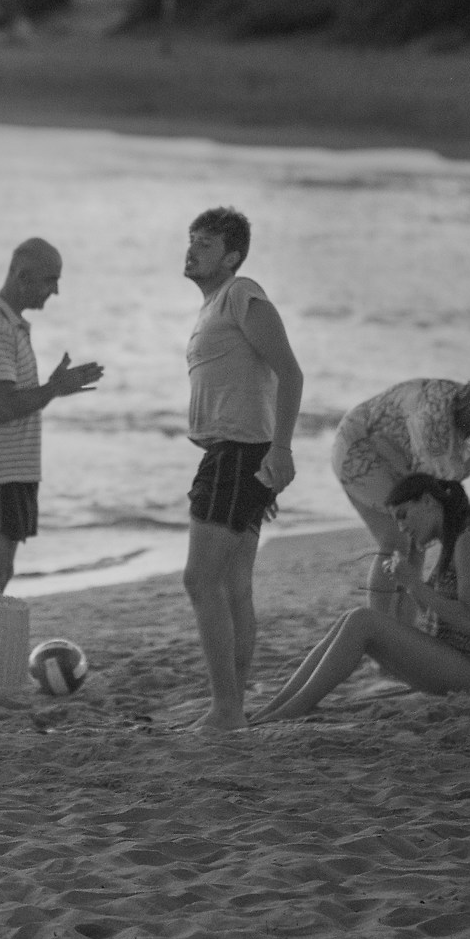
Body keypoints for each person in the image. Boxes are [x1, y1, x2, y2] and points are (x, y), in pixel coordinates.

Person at [0, 239, 102, 718]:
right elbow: (0, 408)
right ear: (21, 274)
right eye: (49, 279)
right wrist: (54, 389)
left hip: (8, 471)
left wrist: (52, 389)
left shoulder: (8, 325)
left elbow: (10, 400)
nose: (55, 290)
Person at [251, 473, 470, 723]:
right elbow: (435, 614)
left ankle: (294, 708)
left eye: (403, 515)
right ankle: (277, 706)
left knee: (362, 620)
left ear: (428, 502)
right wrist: (408, 582)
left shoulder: (469, 541)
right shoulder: (453, 543)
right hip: (457, 660)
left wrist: (413, 583)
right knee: (350, 618)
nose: (401, 527)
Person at [178, 207, 303, 732]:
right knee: (232, 585)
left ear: (231, 256)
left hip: (239, 454)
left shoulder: (241, 293)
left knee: (199, 580)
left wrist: (281, 450)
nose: (191, 249)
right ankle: (231, 706)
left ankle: (226, 708)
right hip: (231, 453)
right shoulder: (211, 307)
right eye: (190, 240)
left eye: (204, 244)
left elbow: (290, 373)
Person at [333, 376, 470, 623]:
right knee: (397, 540)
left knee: (417, 546)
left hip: (407, 460)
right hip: (363, 446)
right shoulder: (434, 420)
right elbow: (430, 498)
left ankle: (401, 635)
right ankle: (378, 633)